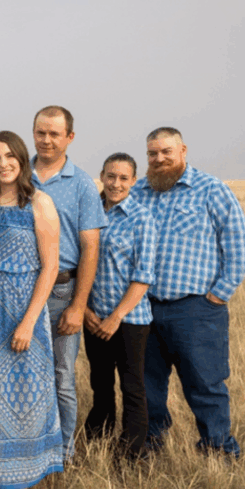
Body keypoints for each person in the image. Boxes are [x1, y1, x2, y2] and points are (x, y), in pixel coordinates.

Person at [129, 127, 245, 457]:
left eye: (166, 152)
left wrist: (219, 295)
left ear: (183, 150)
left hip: (195, 309)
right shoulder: (138, 191)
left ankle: (218, 451)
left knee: (205, 385)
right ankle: (150, 447)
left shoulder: (211, 189)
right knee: (147, 386)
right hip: (144, 309)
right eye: (152, 154)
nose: (159, 159)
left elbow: (238, 244)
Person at [0, 131, 66, 489]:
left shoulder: (39, 203)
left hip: (24, 313)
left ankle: (21, 487)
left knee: (24, 402)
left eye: (10, 156)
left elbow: (51, 266)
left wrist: (27, 323)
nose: (3, 163)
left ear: (22, 160)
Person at [30, 105, 108, 460]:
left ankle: (63, 452)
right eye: (40, 132)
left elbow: (91, 246)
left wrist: (78, 306)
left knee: (61, 376)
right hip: (22, 291)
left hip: (62, 292)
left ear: (69, 138)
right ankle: (30, 447)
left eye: (54, 134)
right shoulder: (16, 175)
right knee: (23, 373)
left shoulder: (81, 185)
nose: (46, 140)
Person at [82, 153, 158, 460]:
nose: (116, 183)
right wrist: (85, 311)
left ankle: (132, 452)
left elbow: (143, 276)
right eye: (111, 176)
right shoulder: (89, 213)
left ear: (133, 182)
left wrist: (117, 316)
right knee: (100, 384)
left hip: (130, 320)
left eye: (123, 178)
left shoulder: (142, 219)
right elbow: (79, 264)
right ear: (102, 175)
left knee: (132, 388)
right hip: (92, 317)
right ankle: (98, 438)